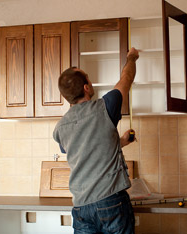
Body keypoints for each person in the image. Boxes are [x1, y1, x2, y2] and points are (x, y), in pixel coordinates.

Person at [53, 47, 139, 234]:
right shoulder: (105, 107)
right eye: (88, 77)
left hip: (81, 208)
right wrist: (132, 58)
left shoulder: (60, 128)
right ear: (86, 87)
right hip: (111, 202)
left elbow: (86, 149)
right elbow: (126, 79)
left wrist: (120, 142)